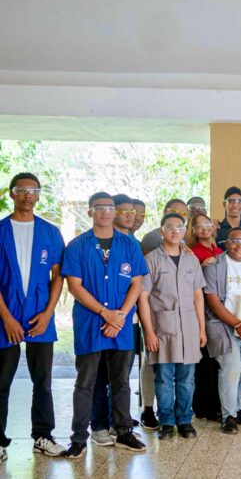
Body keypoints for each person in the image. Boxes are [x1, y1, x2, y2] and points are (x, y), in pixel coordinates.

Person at [62, 192, 148, 458]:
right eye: (99, 208)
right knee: (86, 382)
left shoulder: (129, 244)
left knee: (121, 381)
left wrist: (119, 315)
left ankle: (123, 431)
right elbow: (74, 286)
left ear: (115, 212)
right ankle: (79, 438)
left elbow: (136, 283)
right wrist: (104, 313)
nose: (105, 212)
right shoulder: (77, 245)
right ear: (90, 212)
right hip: (90, 323)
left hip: (120, 324)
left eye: (109, 207)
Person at [0, 173, 66, 459]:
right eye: (22, 190)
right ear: (12, 194)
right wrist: (6, 318)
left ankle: (43, 436)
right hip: (6, 317)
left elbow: (58, 275)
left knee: (43, 381)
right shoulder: (1, 229)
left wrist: (48, 313)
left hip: (40, 316)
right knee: (1, 382)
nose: (28, 195)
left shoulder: (50, 232)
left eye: (33, 190)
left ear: (39, 196)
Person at [138, 214, 207, 440]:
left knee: (187, 379)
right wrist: (149, 331)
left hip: (189, 328)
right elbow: (143, 297)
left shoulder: (191, 259)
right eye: (170, 227)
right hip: (162, 328)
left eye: (179, 227)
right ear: (161, 231)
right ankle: (166, 422)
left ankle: (185, 420)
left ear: (184, 231)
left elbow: (198, 296)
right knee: (164, 378)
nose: (175, 231)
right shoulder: (152, 259)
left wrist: (202, 329)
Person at [203, 227, 241, 434]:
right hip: (221, 324)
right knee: (232, 366)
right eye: (235, 241)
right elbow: (213, 303)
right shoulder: (215, 266)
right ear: (227, 243)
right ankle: (228, 416)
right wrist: (238, 324)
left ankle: (235, 406)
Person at [107, 194, 157, 431]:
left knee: (125, 369)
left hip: (132, 314)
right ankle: (108, 418)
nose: (133, 217)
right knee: (109, 371)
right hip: (109, 312)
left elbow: (139, 283)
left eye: (138, 214)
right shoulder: (108, 240)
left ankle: (120, 418)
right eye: (128, 212)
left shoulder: (134, 244)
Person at [187, 213, 223, 422]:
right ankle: (202, 406)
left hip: (220, 312)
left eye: (207, 224)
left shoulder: (220, 251)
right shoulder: (192, 253)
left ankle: (217, 403)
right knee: (203, 361)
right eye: (199, 226)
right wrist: (202, 267)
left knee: (217, 362)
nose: (204, 229)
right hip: (201, 312)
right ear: (193, 230)